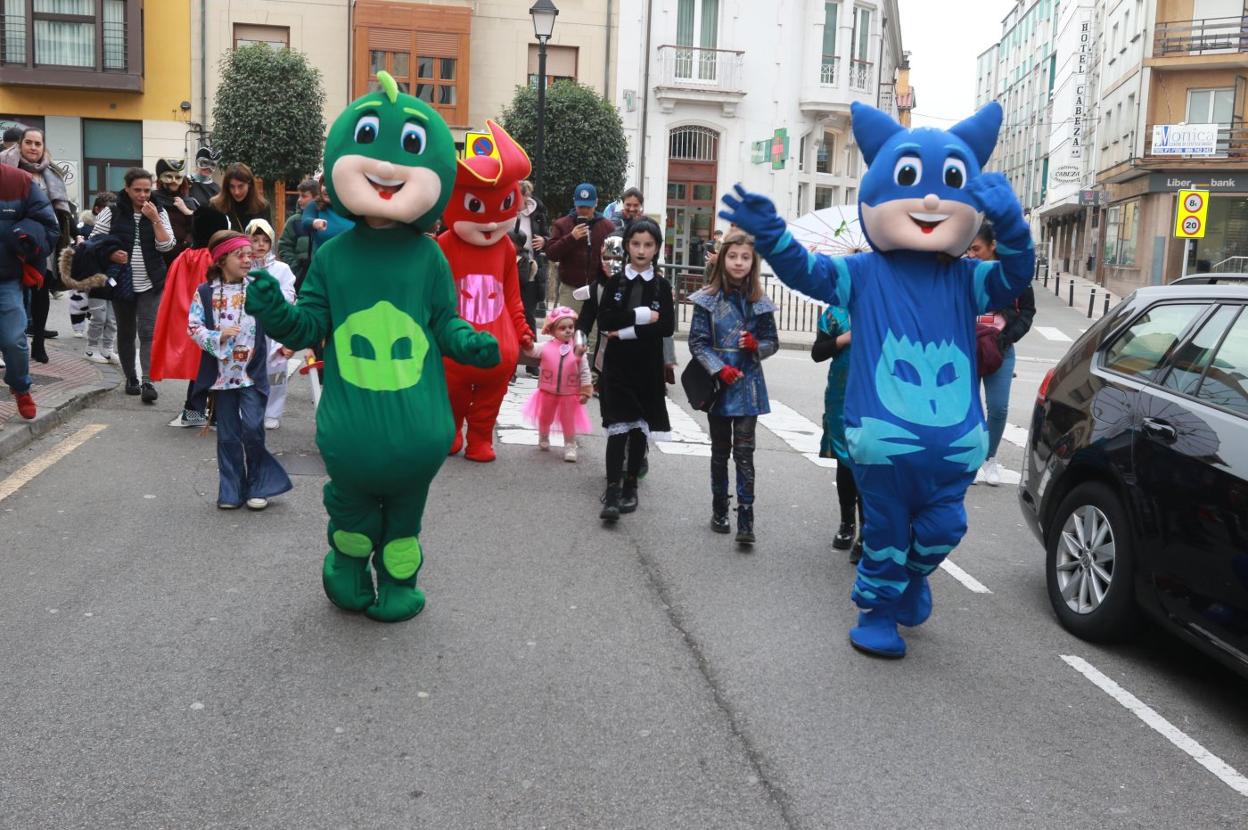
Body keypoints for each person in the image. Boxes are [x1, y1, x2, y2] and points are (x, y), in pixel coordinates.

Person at [719, 101, 1033, 659]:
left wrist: (1011, 225)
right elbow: (808, 273)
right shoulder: (865, 273)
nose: (933, 199)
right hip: (884, 442)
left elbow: (1015, 279)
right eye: (910, 179)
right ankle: (877, 610)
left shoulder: (968, 278)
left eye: (951, 183)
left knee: (944, 531)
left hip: (955, 446)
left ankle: (911, 579)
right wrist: (773, 238)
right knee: (885, 533)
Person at [243, 71, 500, 623]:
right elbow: (308, 326)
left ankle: (399, 580)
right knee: (356, 517)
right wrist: (273, 311)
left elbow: (444, 323)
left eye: (409, 148)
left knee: (405, 518)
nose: (386, 169)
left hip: (418, 429)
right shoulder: (334, 257)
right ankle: (352, 564)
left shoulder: (430, 257)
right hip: (353, 430)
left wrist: (472, 344)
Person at [438, 119, 534, 463]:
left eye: (502, 204)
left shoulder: (506, 248)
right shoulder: (444, 245)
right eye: (477, 207)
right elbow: (435, 295)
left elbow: (512, 296)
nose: (491, 223)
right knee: (452, 395)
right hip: (455, 347)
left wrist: (522, 330)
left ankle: (480, 438)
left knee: (489, 402)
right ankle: (451, 431)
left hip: (498, 348)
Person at [187, 230, 292, 510]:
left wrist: (286, 342)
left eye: (249, 254)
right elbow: (194, 327)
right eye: (240, 255)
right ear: (221, 260)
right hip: (221, 377)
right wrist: (217, 336)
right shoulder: (205, 291)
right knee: (229, 435)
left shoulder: (257, 287)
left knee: (254, 428)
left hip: (252, 374)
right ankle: (231, 489)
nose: (248, 259)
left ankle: (258, 485)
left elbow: (278, 315)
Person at [687, 230, 778, 544]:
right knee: (719, 451)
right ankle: (719, 510)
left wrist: (756, 345)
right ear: (723, 258)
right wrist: (717, 367)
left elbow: (772, 342)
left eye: (745, 257)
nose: (738, 262)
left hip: (749, 385)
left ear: (753, 262)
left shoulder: (760, 302)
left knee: (745, 453)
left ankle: (747, 518)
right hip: (718, 386)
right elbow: (697, 343)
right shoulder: (707, 299)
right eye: (733, 256)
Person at [595, 218, 675, 521]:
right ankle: (612, 488)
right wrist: (642, 315)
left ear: (656, 249)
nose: (642, 250)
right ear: (627, 245)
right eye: (636, 244)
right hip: (617, 366)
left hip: (647, 366)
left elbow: (665, 325)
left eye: (648, 245)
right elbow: (606, 321)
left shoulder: (662, 285)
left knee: (639, 429)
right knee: (618, 428)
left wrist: (627, 329)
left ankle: (631, 486)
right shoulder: (616, 282)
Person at [90, 168, 176, 402]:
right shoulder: (113, 211)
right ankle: (131, 378)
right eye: (137, 190)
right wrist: (111, 253)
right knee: (126, 332)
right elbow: (94, 241)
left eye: (147, 190)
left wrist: (154, 219)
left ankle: (148, 381)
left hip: (151, 281)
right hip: (122, 281)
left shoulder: (158, 211)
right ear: (126, 189)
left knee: (148, 332)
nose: (142, 195)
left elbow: (167, 246)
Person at [968, 221, 1035, 486]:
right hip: (968, 348)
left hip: (1001, 350)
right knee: (968, 406)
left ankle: (990, 458)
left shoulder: (1014, 275)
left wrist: (1006, 338)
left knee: (998, 407)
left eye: (977, 249)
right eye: (968, 249)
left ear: (993, 246)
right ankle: (971, 459)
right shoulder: (965, 272)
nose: (971, 255)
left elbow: (1027, 313)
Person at [1, 126, 73, 363]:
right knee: (12, 293)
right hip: (8, 242)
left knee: (40, 290)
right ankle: (14, 341)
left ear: (43, 147)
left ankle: (38, 342)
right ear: (20, 144)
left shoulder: (51, 172)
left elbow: (60, 210)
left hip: (40, 240)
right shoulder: (7, 167)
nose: (33, 148)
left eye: (38, 144)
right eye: (29, 143)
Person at [0, 162, 59, 419]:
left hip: (6, 278)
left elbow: (48, 226)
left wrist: (30, 252)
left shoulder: (19, 181)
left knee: (14, 340)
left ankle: (21, 387)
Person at [813, 304, 863, 563]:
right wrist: (844, 339)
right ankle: (847, 525)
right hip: (841, 396)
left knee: (869, 462)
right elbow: (817, 352)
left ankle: (868, 532)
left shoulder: (888, 307)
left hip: (877, 397)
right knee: (845, 461)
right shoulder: (837, 313)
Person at [520, 305, 593, 462]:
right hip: (547, 391)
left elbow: (585, 371)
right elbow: (531, 351)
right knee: (545, 417)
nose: (568, 331)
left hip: (569, 393)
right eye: (562, 328)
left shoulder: (578, 349)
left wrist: (585, 389)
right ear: (552, 331)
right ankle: (544, 435)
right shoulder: (546, 347)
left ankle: (570, 445)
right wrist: (527, 343)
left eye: (571, 327)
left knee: (568, 421)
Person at [243, 219, 298, 430]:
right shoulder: (242, 266)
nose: (260, 245)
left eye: (265, 240)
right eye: (255, 239)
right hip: (248, 329)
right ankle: (248, 409)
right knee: (247, 369)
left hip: (274, 329)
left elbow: (289, 296)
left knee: (275, 371)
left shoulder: (282, 269)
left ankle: (272, 412)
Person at [544, 183, 616, 305]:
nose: (584, 211)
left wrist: (607, 257)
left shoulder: (607, 226)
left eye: (588, 207)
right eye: (580, 207)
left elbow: (613, 259)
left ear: (596, 203)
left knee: (596, 324)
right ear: (574, 203)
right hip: (570, 289)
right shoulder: (562, 224)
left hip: (598, 288)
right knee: (568, 323)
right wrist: (571, 237)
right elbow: (551, 254)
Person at [73, 192, 119, 363]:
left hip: (113, 281)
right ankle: (91, 349)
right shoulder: (92, 234)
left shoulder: (119, 233)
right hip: (97, 282)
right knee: (99, 318)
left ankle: (108, 349)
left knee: (112, 319)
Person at [513, 179, 548, 342]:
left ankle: (531, 357)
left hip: (531, 269)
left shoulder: (537, 214)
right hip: (510, 267)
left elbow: (547, 236)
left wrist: (544, 241)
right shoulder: (506, 211)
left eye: (526, 197)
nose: (524, 202)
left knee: (528, 313)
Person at [152, 158, 198, 257]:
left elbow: (196, 228)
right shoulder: (153, 198)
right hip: (158, 254)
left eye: (177, 177)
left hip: (182, 255)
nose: (174, 181)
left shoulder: (188, 201)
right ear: (161, 179)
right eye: (169, 176)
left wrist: (186, 211)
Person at [278, 178, 319, 288]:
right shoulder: (294, 221)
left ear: (316, 198)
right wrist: (296, 268)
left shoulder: (325, 220)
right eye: (299, 196)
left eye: (304, 196)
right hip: (299, 278)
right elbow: (284, 246)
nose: (299, 200)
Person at [208, 162, 270, 233]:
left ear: (249, 185)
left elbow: (268, 239)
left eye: (241, 186)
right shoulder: (216, 206)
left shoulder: (262, 207)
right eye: (232, 186)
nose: (236, 192)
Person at [299, 177, 353, 258]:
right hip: (325, 264)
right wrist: (314, 222)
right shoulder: (314, 205)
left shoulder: (354, 208)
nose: (325, 189)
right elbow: (305, 222)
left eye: (331, 184)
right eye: (324, 184)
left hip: (352, 262)